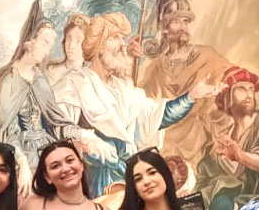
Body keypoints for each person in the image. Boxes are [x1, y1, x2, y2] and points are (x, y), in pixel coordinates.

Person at [52, 12, 219, 196]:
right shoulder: (76, 84)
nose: (123, 45)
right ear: (99, 47)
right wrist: (90, 142)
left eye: (122, 38)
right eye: (115, 37)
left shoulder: (124, 88)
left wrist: (191, 96)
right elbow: (60, 131)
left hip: (128, 179)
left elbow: (158, 115)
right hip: (94, 183)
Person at [135, 0, 232, 169]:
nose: (183, 27)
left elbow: (229, 75)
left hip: (195, 128)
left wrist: (220, 89)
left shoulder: (206, 55)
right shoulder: (155, 68)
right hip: (166, 131)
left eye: (186, 21)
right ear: (164, 28)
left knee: (198, 130)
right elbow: (144, 106)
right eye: (176, 21)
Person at [0, 0, 86, 182]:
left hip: (46, 148)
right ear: (30, 42)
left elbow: (56, 123)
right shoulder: (10, 82)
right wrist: (22, 163)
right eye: (45, 43)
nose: (47, 51)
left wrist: (84, 134)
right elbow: (5, 132)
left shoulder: (40, 80)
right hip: (19, 155)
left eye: (50, 45)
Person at [196, 65, 259, 210]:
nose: (249, 94)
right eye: (241, 89)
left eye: (251, 89)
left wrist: (240, 156)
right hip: (227, 208)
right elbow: (204, 178)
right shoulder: (221, 139)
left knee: (222, 204)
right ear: (227, 96)